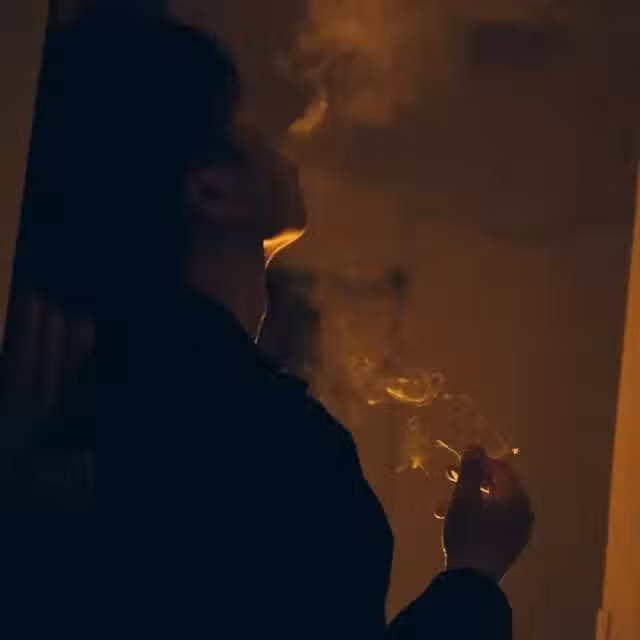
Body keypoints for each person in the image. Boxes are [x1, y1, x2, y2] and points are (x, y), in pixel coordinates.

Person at [0, 8, 533, 637]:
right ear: (212, 189)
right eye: (238, 117)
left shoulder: (87, 397)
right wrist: (474, 574)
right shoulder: (278, 455)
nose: (274, 132)